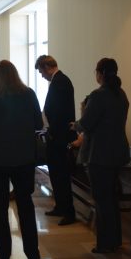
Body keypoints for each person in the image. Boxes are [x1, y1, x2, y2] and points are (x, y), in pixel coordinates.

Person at [0, 60, 43, 259]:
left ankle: (3, 254)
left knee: (0, 206)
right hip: (23, 156)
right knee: (25, 203)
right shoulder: (29, 93)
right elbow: (38, 123)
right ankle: (32, 253)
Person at [72, 58, 130, 254]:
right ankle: (115, 240)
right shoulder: (120, 94)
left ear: (101, 74)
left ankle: (104, 243)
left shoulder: (98, 96)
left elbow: (87, 124)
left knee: (101, 198)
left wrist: (77, 123)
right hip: (118, 152)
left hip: (99, 153)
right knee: (112, 198)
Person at [35, 55, 77, 225]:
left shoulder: (60, 82)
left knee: (61, 175)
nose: (41, 75)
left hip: (59, 137)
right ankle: (60, 206)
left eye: (41, 71)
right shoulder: (59, 81)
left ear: (47, 67)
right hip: (56, 135)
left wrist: (50, 130)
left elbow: (58, 111)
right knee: (56, 173)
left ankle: (68, 211)